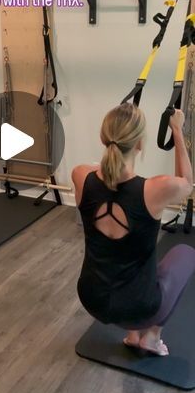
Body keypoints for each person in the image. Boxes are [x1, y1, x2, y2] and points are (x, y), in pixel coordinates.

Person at [72, 102, 195, 356]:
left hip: (91, 298)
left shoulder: (80, 175)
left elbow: (102, 173)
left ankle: (131, 336)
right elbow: (187, 184)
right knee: (185, 254)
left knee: (135, 260)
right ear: (139, 144)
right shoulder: (155, 189)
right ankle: (151, 337)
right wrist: (177, 131)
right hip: (138, 309)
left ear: (103, 138)